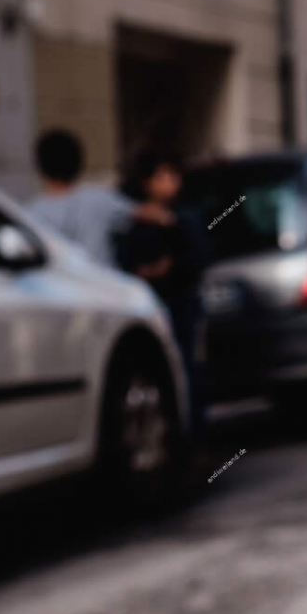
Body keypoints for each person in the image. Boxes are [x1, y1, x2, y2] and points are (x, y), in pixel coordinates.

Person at [115, 148, 208, 422]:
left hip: (181, 302)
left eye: (172, 176)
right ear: (147, 182)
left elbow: (198, 256)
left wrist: (171, 267)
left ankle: (193, 423)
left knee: (189, 364)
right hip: (150, 305)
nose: (169, 183)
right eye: (162, 177)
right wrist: (143, 271)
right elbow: (125, 257)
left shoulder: (185, 216)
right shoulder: (134, 217)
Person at [26, 129, 140, 268]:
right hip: (102, 282)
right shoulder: (99, 198)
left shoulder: (30, 213)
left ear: (40, 164)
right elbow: (146, 214)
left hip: (57, 284)